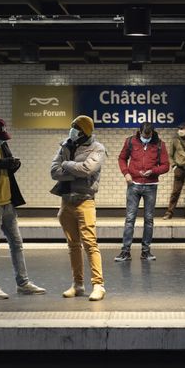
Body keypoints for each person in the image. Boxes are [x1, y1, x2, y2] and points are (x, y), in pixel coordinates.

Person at [0, 117, 45, 299]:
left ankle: (23, 283)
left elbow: (6, 165)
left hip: (8, 201)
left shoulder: (1, 145)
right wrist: (5, 163)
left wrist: (13, 164)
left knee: (16, 243)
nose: (2, 140)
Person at [50, 115, 107, 301]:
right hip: (66, 202)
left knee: (90, 244)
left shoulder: (97, 148)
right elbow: (53, 172)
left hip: (85, 201)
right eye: (72, 127)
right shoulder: (65, 145)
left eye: (75, 128)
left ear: (84, 131)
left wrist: (67, 165)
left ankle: (98, 285)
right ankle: (78, 284)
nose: (72, 130)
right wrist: (74, 172)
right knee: (73, 246)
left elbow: (87, 170)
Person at [114, 122, 169, 262]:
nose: (147, 138)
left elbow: (166, 165)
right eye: (145, 136)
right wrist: (126, 173)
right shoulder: (130, 141)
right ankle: (125, 252)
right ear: (139, 132)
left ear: (152, 133)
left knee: (149, 220)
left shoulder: (160, 145)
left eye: (149, 136)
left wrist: (153, 171)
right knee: (130, 219)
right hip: (133, 185)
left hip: (151, 186)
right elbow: (121, 158)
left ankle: (146, 252)